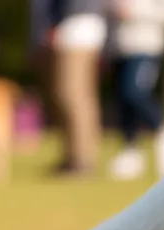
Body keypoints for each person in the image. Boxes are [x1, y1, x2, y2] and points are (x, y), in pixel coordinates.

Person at [105, 0, 164, 180]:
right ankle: (130, 150)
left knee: (135, 93)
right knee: (123, 102)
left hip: (147, 47)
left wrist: (135, 11)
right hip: (119, 49)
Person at [47, 0, 108, 177]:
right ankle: (74, 156)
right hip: (79, 25)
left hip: (78, 25)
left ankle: (82, 159)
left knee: (73, 95)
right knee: (78, 95)